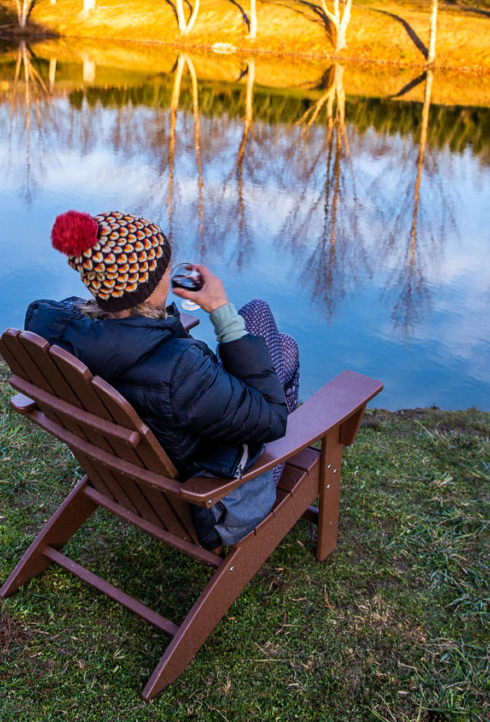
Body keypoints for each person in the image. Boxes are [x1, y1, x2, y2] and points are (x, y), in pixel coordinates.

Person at [25, 209, 300, 548]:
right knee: (274, 337)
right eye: (164, 270)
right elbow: (272, 419)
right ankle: (273, 471)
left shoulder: (56, 328)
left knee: (276, 340)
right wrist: (220, 310)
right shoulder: (180, 368)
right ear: (148, 287)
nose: (171, 273)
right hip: (213, 501)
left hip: (136, 471)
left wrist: (165, 324)